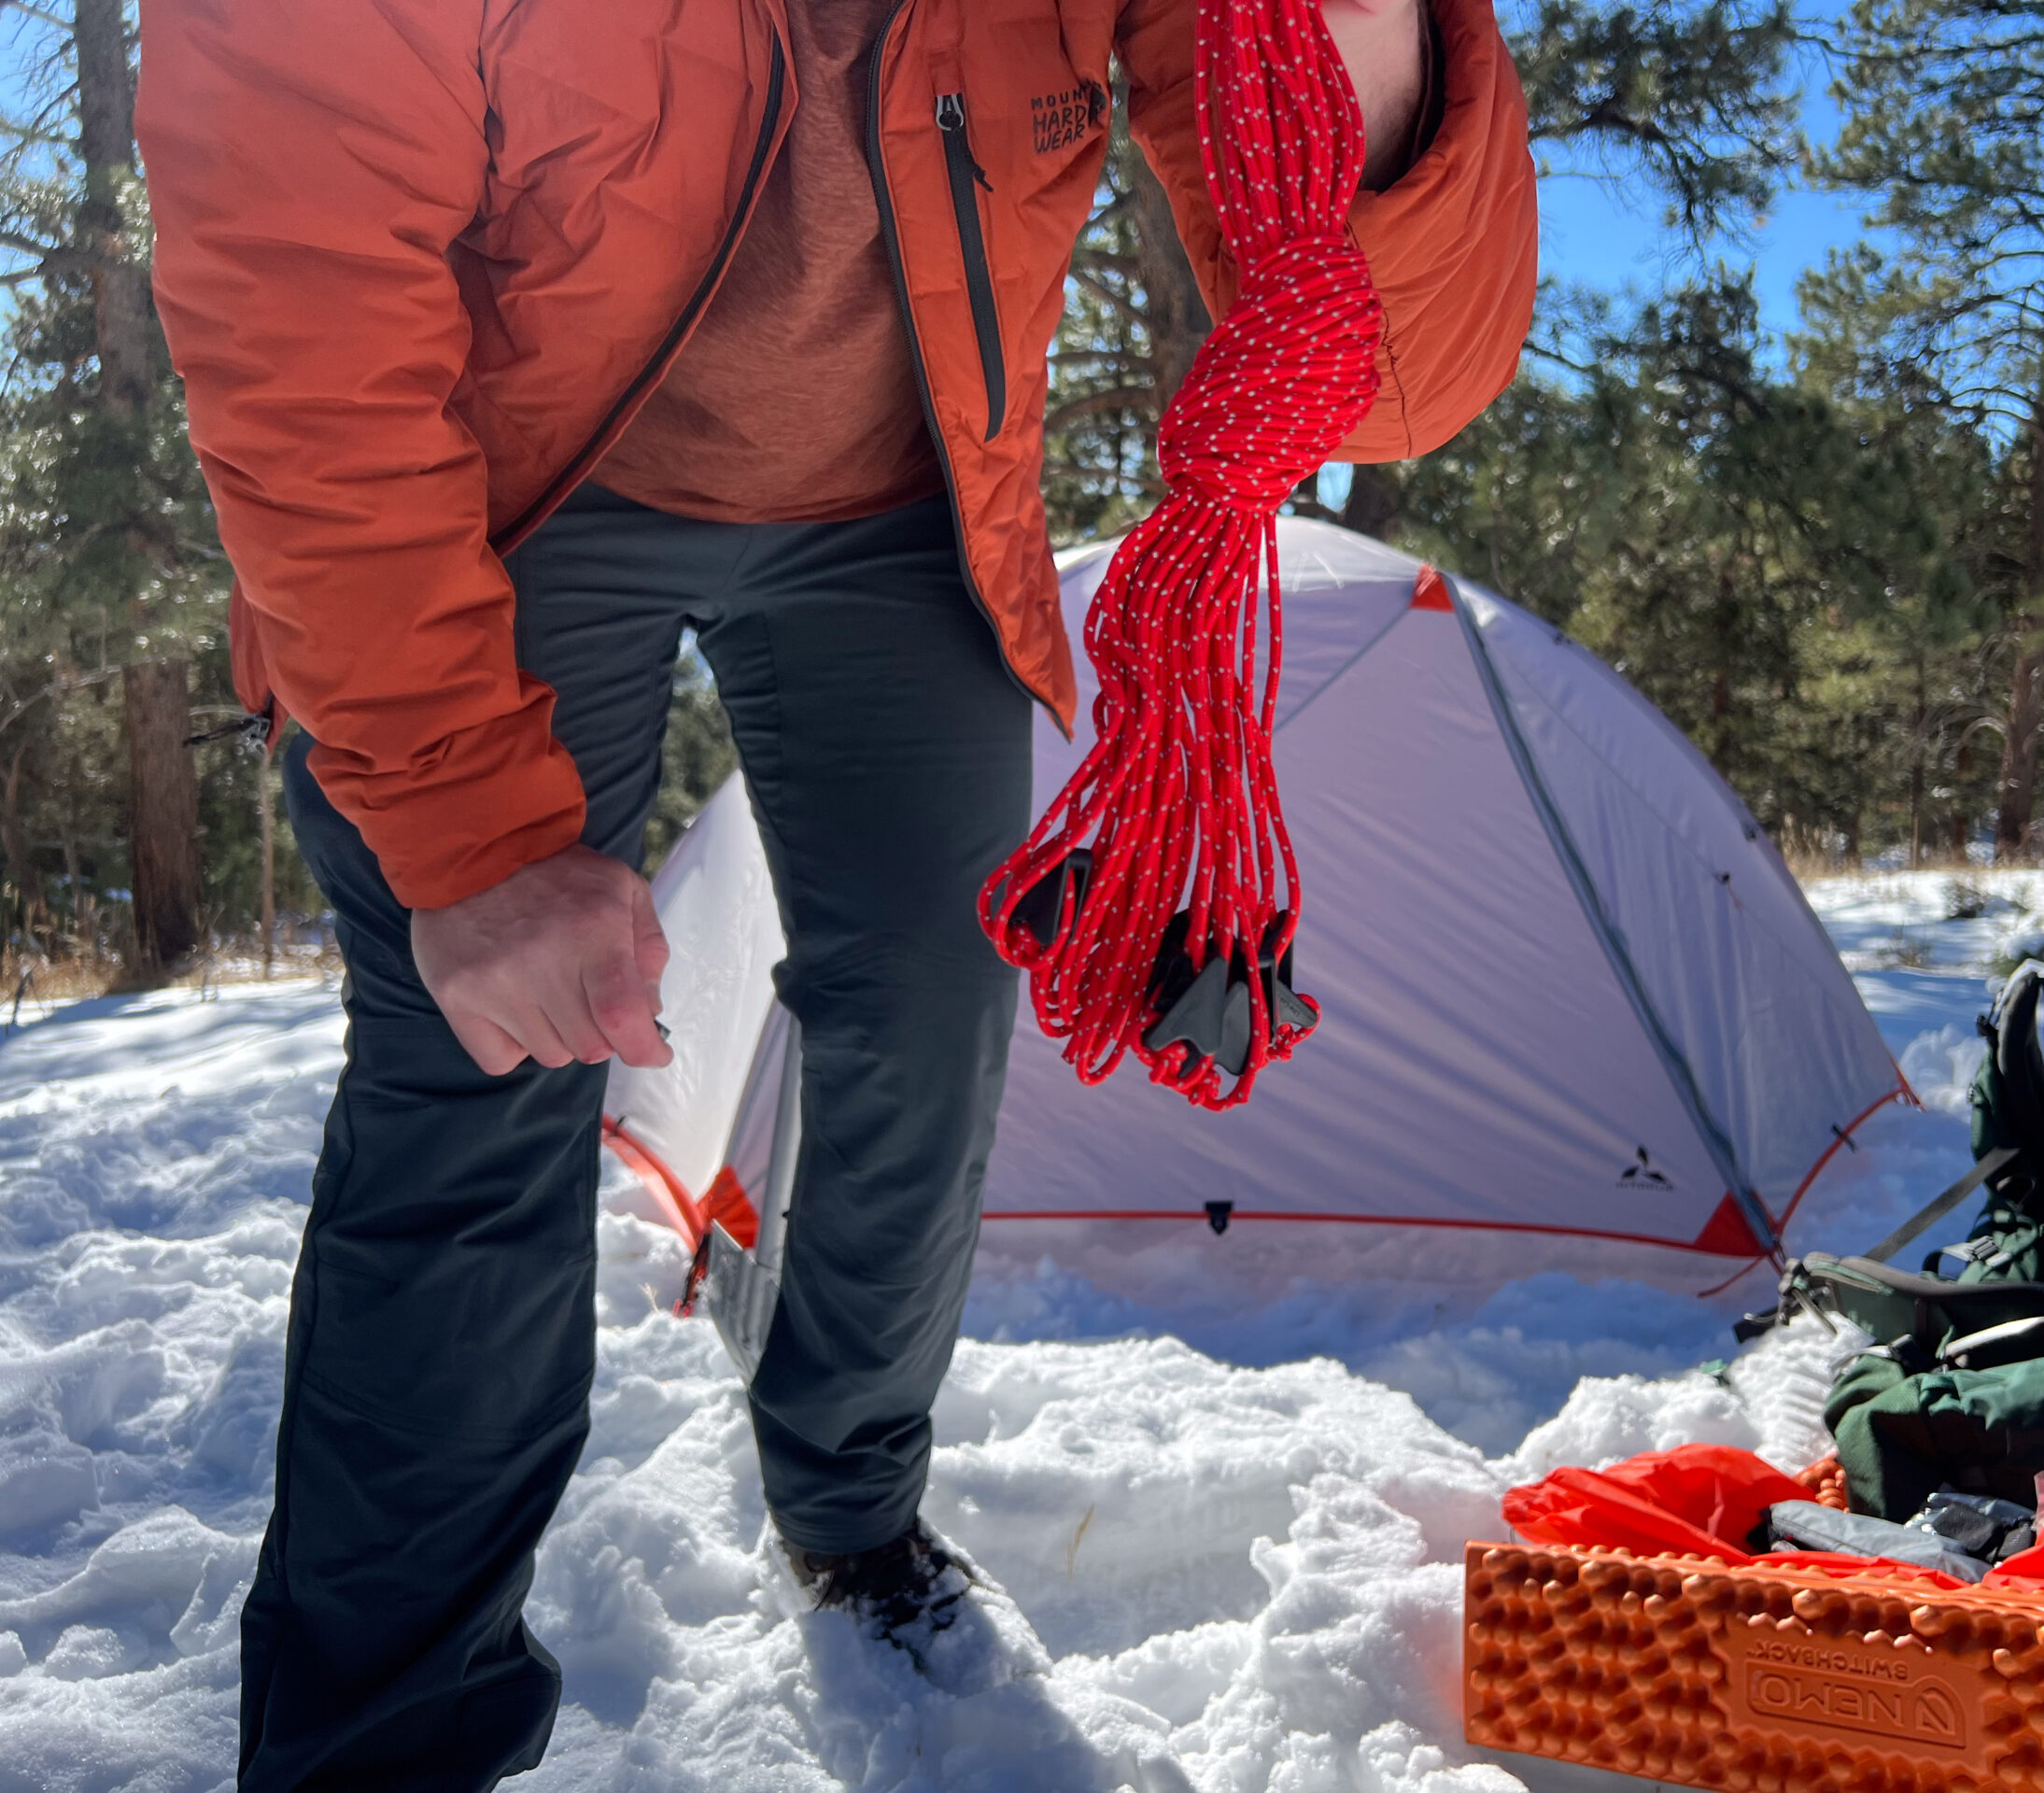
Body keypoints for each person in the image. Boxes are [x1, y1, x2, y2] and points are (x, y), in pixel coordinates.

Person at [138, 0, 1536, 1785]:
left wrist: (1373, 35)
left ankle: (853, 1503)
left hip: (898, 504)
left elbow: (1394, 369)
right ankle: (378, 1734)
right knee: (482, 1069)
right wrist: (468, 828)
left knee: (936, 1014)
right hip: (519, 476)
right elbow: (299, 294)